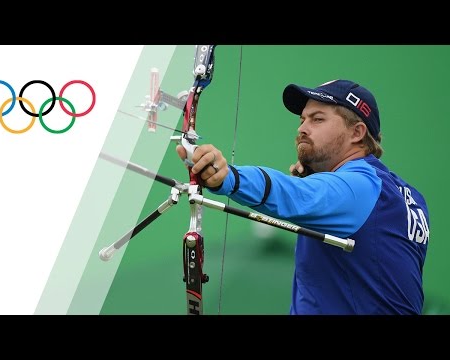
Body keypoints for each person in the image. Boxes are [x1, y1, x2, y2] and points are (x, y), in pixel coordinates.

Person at [176, 79, 430, 315]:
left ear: (357, 132)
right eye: (302, 119)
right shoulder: (408, 196)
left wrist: (228, 177)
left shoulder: (360, 187)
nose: (303, 128)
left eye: (317, 119)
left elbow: (292, 194)